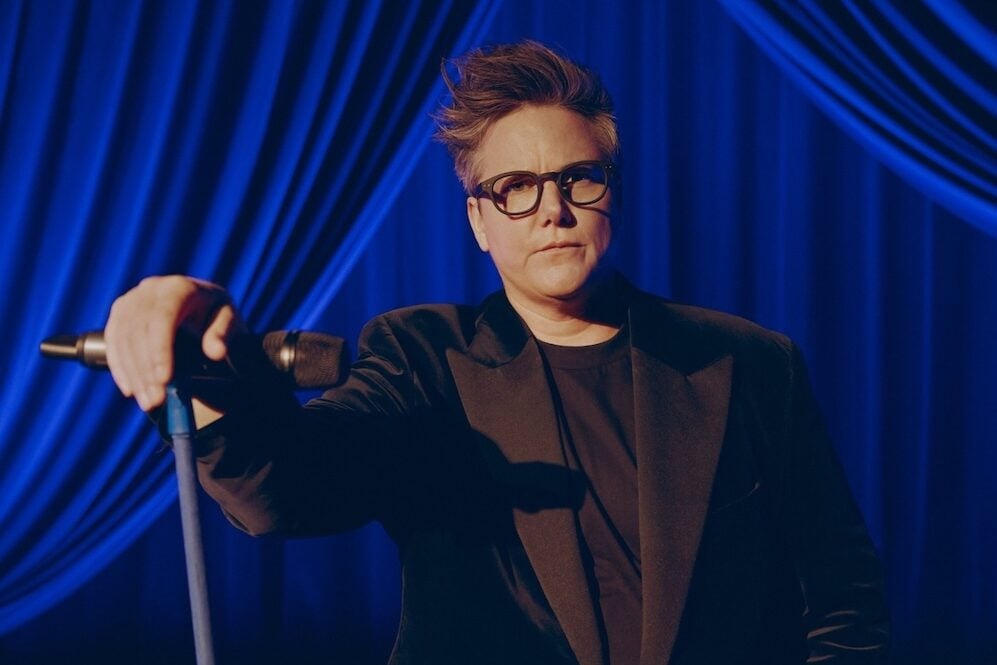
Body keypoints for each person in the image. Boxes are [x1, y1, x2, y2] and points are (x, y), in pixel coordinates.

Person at [104, 41, 889, 664]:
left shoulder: (749, 362)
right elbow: (291, 487)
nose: (552, 210)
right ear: (479, 221)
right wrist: (211, 370)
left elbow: (842, 598)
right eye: (516, 187)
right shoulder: (423, 358)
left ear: (612, 192)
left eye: (578, 178)